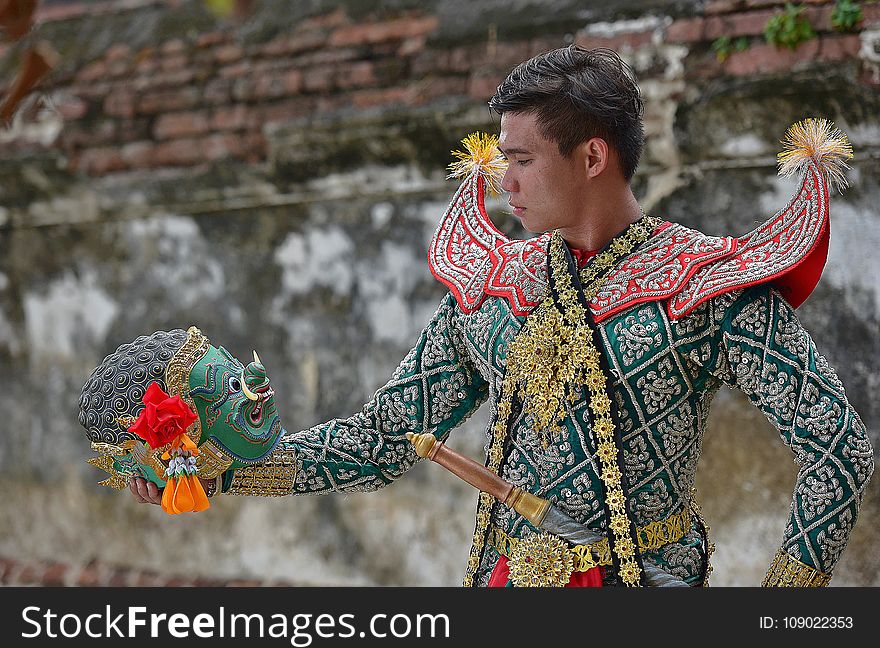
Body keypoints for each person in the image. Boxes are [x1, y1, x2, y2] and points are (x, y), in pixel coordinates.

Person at [127, 45, 873, 587]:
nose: (504, 181)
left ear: (591, 158)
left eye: (521, 159)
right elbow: (385, 436)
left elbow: (838, 450)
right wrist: (224, 471)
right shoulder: (494, 286)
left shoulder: (706, 285)